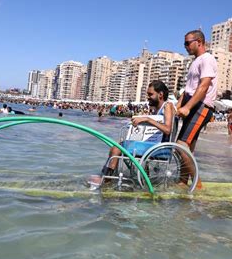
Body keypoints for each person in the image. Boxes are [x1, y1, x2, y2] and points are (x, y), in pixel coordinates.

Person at [88, 80, 175, 190]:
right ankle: (110, 177)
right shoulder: (156, 109)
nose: (148, 97)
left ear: (160, 94)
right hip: (152, 144)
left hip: (160, 147)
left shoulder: (168, 105)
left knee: (116, 148)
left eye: (150, 94)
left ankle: (105, 180)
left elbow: (167, 130)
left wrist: (147, 119)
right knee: (117, 146)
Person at [176, 30, 217, 189]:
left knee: (181, 145)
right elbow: (188, 90)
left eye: (187, 43)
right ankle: (182, 181)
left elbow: (204, 86)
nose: (185, 46)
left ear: (199, 42)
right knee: (187, 148)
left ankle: (197, 184)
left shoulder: (207, 59)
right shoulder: (195, 61)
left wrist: (187, 107)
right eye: (184, 43)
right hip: (192, 105)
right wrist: (177, 106)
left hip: (201, 107)